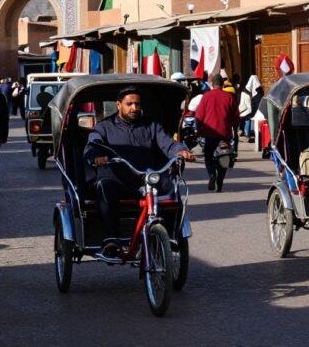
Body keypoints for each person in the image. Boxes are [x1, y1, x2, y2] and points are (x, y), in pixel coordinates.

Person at [84, 86, 195, 257]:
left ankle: (170, 236)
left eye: (137, 104)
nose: (134, 108)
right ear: (119, 105)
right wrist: (96, 155)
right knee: (104, 186)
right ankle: (111, 238)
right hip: (117, 180)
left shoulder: (151, 125)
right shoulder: (104, 126)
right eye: (129, 104)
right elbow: (93, 144)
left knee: (172, 186)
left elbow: (168, 143)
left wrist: (180, 151)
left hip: (146, 179)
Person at [195, 74, 240, 192]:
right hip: (225, 134)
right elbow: (236, 116)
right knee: (224, 157)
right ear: (222, 84)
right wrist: (235, 130)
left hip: (209, 133)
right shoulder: (229, 97)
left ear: (212, 84)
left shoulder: (206, 96)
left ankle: (211, 175)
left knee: (208, 156)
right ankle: (220, 183)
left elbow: (199, 115)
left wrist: (199, 130)